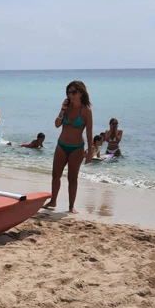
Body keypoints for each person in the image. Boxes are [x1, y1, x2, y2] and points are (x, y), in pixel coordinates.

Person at [43, 81, 94, 213]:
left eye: (73, 92)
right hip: (61, 145)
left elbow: (89, 132)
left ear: (81, 93)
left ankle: (71, 206)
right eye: (68, 92)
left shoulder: (86, 111)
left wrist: (90, 151)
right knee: (55, 175)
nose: (70, 95)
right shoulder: (67, 107)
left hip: (77, 148)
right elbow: (57, 124)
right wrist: (62, 110)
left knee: (72, 177)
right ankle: (53, 201)